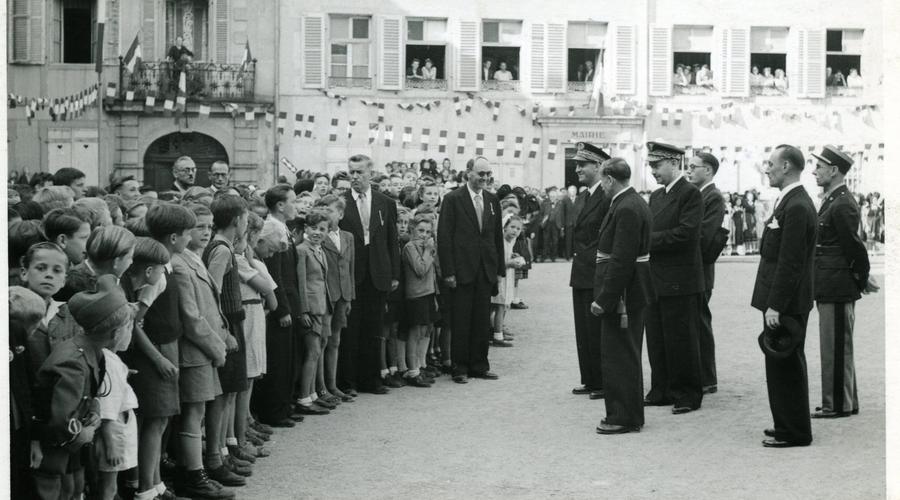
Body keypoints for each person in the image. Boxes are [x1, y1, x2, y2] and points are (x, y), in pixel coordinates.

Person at [30, 282, 127, 500]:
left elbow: (86, 395)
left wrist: (93, 408)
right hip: (55, 448)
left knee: (75, 488)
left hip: (71, 451)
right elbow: (60, 419)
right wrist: (82, 433)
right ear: (113, 333)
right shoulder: (73, 362)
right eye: (126, 327)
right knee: (55, 492)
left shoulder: (93, 352)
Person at [753, 144, 817, 448]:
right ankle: (785, 424)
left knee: (786, 366)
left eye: (770, 163)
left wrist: (775, 305)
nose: (767, 169)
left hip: (786, 302)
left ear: (787, 166)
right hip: (784, 300)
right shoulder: (790, 201)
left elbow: (790, 262)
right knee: (780, 365)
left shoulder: (796, 206)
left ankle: (794, 431)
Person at [168, 203, 234, 497]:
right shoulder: (179, 263)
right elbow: (192, 318)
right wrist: (216, 346)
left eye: (209, 227)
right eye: (200, 227)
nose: (206, 232)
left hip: (203, 349)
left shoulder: (192, 258)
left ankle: (195, 470)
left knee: (197, 413)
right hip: (193, 350)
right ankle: (193, 476)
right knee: (192, 416)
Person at [810, 145, 877, 419]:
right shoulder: (833, 199)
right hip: (830, 281)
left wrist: (862, 278)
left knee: (835, 346)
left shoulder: (842, 202)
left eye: (819, 167)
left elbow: (854, 246)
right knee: (838, 344)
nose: (815, 171)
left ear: (834, 170)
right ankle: (845, 400)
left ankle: (836, 404)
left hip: (837, 283)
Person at [590, 158, 655, 434]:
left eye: (602, 181)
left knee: (619, 355)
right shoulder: (631, 202)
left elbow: (621, 260)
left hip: (623, 295)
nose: (601, 186)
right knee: (625, 353)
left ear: (608, 180)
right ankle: (628, 412)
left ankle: (623, 416)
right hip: (629, 290)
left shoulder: (626, 207)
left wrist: (604, 299)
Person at [643, 141, 705, 415]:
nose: (653, 171)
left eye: (657, 165)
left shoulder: (690, 194)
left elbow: (686, 233)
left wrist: (648, 241)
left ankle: (688, 393)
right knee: (657, 336)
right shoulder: (657, 196)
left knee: (681, 338)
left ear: (674, 163)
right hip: (657, 277)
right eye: (651, 166)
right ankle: (662, 389)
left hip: (680, 278)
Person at [437, 156, 505, 384]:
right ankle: (460, 367)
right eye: (480, 174)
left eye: (488, 174)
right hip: (461, 270)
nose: (485, 178)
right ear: (468, 173)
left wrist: (499, 271)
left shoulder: (493, 200)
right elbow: (444, 238)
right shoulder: (452, 199)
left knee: (480, 320)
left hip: (485, 270)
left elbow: (496, 238)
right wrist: (448, 272)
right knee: (461, 320)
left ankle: (479, 365)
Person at [338, 155, 400, 395]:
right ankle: (348, 381)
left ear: (370, 174)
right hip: (353, 273)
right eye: (351, 172)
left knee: (374, 328)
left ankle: (371, 379)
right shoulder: (342, 202)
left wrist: (394, 273)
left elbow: (391, 240)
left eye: (359, 172)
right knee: (351, 329)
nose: (355, 176)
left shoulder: (385, 202)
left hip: (378, 272)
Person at [202, 196, 252, 485]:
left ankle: (224, 451)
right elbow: (213, 290)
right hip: (227, 322)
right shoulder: (221, 249)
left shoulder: (227, 246)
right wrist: (224, 330)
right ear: (236, 220)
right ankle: (216, 456)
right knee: (223, 395)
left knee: (231, 391)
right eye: (244, 218)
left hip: (232, 320)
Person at [251, 185, 302, 427]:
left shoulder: (283, 228)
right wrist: (282, 309)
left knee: (287, 358)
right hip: (281, 305)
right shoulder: (272, 228)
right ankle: (274, 410)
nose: (297, 206)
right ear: (280, 205)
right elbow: (276, 274)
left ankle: (284, 405)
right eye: (293, 201)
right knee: (278, 360)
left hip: (289, 300)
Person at [568, 143, 611, 400]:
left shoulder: (606, 196)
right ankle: (590, 378)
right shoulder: (583, 196)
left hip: (596, 271)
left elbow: (604, 237)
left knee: (597, 330)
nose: (577, 169)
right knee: (583, 329)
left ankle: (603, 381)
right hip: (581, 272)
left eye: (582, 164)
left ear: (598, 166)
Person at [688, 153, 727, 394]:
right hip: (692, 270)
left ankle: (707, 377)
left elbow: (705, 235)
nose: (689, 171)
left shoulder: (713, 197)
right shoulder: (700, 195)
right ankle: (698, 374)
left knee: (700, 322)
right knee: (693, 322)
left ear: (709, 171)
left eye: (694, 167)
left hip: (701, 270)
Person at [318, 195, 356, 402]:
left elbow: (350, 267)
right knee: (322, 341)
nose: (326, 213)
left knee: (335, 340)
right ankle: (321, 387)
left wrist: (349, 297)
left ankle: (333, 385)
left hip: (342, 294)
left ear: (340, 214)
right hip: (325, 295)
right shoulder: (318, 236)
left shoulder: (348, 237)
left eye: (330, 210)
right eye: (323, 209)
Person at [402, 213, 440, 387]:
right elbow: (420, 269)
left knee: (425, 331)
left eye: (427, 231)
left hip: (428, 292)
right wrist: (427, 250)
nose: (424, 234)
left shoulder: (428, 246)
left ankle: (419, 364)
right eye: (420, 230)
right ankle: (412, 370)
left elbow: (432, 273)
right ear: (413, 230)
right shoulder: (410, 247)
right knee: (414, 332)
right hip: (415, 294)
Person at [490, 215, 524, 347]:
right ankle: (497, 334)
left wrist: (513, 256)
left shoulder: (512, 240)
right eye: (512, 227)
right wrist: (510, 262)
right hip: (499, 275)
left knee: (503, 303)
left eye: (518, 229)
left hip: (507, 275)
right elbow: (497, 261)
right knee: (499, 304)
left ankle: (495, 329)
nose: (515, 231)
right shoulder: (500, 241)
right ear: (505, 227)